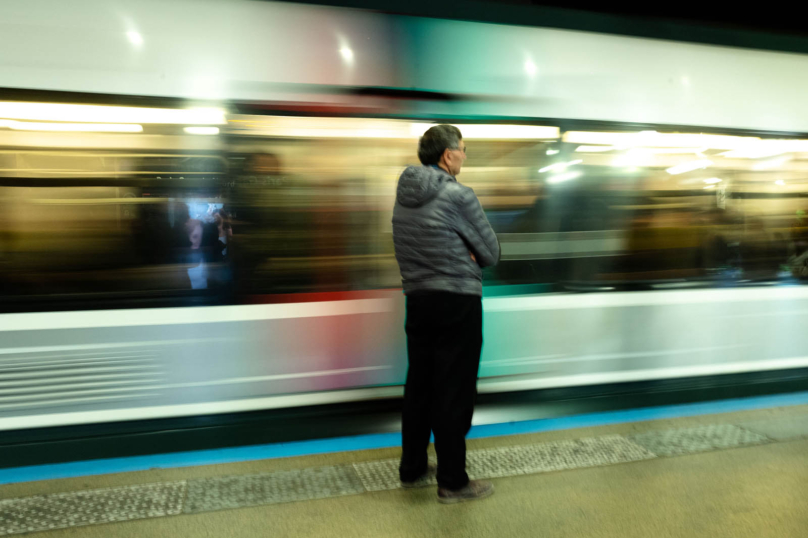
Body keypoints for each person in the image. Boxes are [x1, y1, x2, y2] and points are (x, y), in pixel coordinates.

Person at [392, 124, 501, 504]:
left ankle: (413, 467)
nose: (465, 156)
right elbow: (490, 253)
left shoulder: (403, 195)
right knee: (453, 389)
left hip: (418, 299)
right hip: (457, 301)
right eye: (463, 149)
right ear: (447, 155)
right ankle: (453, 481)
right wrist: (467, 251)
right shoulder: (459, 195)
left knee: (420, 385)